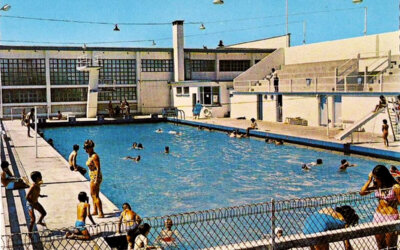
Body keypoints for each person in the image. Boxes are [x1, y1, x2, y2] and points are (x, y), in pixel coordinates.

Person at [360, 165, 400, 249]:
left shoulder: (395, 187)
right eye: (373, 177)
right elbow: (362, 192)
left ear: (382, 177)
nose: (375, 180)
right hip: (378, 217)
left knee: (391, 247)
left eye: (376, 177)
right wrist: (369, 180)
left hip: (391, 217)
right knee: (380, 246)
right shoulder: (378, 186)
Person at [84, 139, 104, 218]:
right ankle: (95, 210)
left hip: (95, 177)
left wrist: (96, 180)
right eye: (85, 148)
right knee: (93, 194)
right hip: (93, 176)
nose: (85, 149)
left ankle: (100, 213)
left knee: (94, 195)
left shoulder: (94, 156)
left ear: (91, 147)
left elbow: (98, 168)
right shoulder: (90, 155)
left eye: (87, 148)